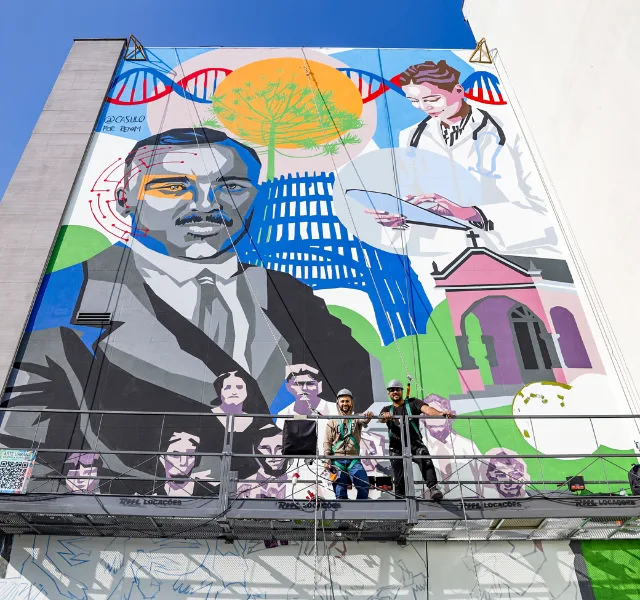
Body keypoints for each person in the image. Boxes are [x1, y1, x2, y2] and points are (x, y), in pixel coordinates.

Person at [0, 127, 379, 487]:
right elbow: (15, 455)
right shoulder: (65, 296)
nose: (205, 205)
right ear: (124, 200)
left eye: (230, 186)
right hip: (126, 531)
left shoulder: (287, 295)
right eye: (171, 186)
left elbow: (362, 396)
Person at [368, 59, 558, 260]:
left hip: (516, 250)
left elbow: (544, 207)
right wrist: (400, 216)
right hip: (448, 256)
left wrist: (470, 213)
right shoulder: (412, 137)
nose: (423, 107)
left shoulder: (507, 131)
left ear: (458, 91)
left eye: (432, 98)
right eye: (414, 101)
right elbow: (413, 196)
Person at [379, 379, 454, 501]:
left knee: (425, 460)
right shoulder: (386, 409)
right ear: (389, 393)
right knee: (399, 477)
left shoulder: (413, 403)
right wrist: (385, 417)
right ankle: (400, 500)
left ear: (402, 391)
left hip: (415, 444)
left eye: (397, 389)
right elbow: (382, 419)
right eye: (392, 390)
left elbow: (428, 410)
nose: (395, 392)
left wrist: (441, 414)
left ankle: (433, 488)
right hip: (396, 447)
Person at [422, 393, 482, 498]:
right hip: (429, 506)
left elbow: (482, 478)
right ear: (423, 419)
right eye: (429, 415)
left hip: (468, 504)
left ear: (448, 415)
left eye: (438, 413)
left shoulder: (467, 445)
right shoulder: (418, 447)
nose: (434, 419)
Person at [323, 389, 374, 500]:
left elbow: (364, 420)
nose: (345, 404)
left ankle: (358, 511)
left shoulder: (356, 418)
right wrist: (327, 459)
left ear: (352, 403)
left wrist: (368, 416)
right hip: (337, 460)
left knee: (364, 484)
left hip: (353, 460)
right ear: (338, 403)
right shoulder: (332, 422)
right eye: (342, 401)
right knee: (340, 493)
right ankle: (343, 517)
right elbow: (327, 442)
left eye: (347, 401)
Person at [158, 432, 212, 497]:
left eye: (190, 455)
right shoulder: (150, 492)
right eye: (175, 455)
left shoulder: (211, 494)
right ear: (162, 458)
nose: (183, 463)